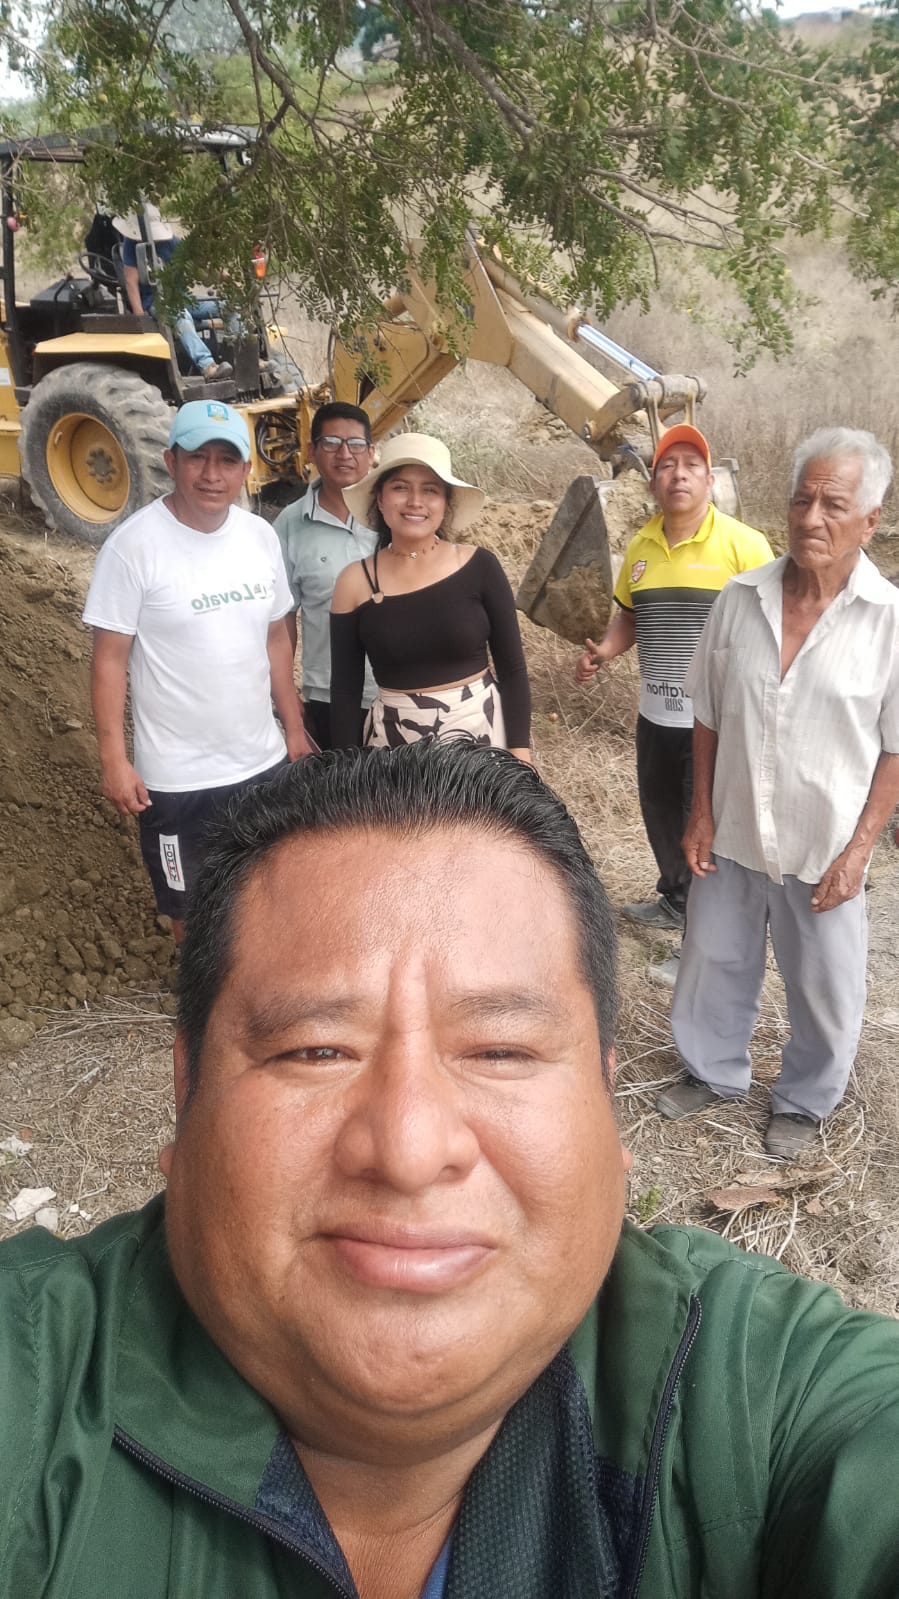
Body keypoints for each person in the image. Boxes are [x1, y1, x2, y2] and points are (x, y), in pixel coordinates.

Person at [2, 743, 899, 1599]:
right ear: (185, 1089)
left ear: (605, 1101)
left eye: (501, 1049)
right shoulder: (31, 1394)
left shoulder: (758, 1394)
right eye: (315, 1049)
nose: (407, 1148)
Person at [658, 427, 899, 1159]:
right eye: (801, 500)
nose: (810, 518)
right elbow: (706, 710)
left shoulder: (889, 620)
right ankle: (711, 1069)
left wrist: (859, 850)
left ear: (870, 520)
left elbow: (895, 747)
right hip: (733, 826)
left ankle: (803, 1099)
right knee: (713, 958)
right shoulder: (740, 598)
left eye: (833, 504)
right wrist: (700, 811)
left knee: (825, 983)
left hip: (823, 841)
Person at [82, 399, 310, 942]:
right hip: (178, 780)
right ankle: (200, 994)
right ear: (171, 461)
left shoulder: (259, 537)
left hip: (261, 763)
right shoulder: (133, 548)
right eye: (196, 457)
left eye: (226, 460)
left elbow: (277, 638)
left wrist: (294, 729)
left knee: (267, 895)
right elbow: (109, 659)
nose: (212, 474)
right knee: (192, 915)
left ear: (245, 469)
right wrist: (114, 759)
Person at [574, 425, 773, 985]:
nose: (678, 475)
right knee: (661, 816)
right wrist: (604, 652)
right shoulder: (641, 547)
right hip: (655, 717)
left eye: (691, 465)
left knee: (703, 829)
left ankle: (701, 944)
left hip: (713, 725)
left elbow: (773, 628)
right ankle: (675, 900)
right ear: (653, 483)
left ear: (711, 481)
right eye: (667, 466)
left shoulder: (744, 546)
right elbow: (630, 616)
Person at [330, 433, 531, 759]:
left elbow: (513, 671)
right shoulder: (355, 582)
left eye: (430, 490)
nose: (415, 501)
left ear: (446, 503)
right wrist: (342, 772)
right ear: (380, 499)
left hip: (481, 739)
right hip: (394, 750)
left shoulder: (480, 566)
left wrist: (521, 757)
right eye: (400, 487)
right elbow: (345, 690)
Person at [273, 401, 378, 750]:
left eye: (356, 444)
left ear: (371, 453)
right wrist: (285, 695)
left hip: (400, 692)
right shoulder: (289, 525)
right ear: (311, 451)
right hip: (328, 695)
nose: (344, 454)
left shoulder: (396, 514)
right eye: (331, 443)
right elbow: (282, 618)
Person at [112, 204, 234, 381]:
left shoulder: (172, 243)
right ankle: (208, 366)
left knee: (230, 306)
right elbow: (131, 282)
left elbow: (198, 267)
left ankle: (247, 358)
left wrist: (226, 278)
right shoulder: (132, 246)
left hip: (182, 298)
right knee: (181, 314)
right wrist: (140, 316)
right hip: (156, 302)